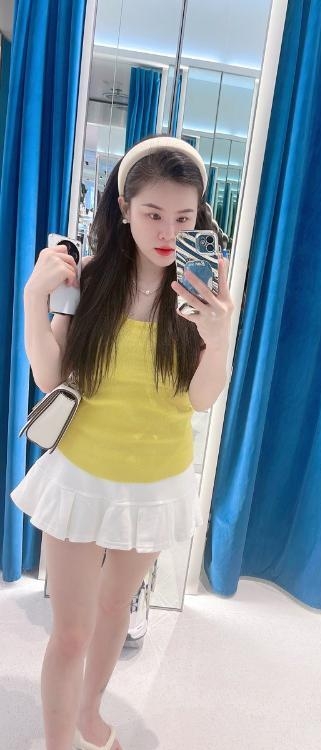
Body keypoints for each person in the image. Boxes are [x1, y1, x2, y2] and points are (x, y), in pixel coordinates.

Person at [11, 135, 234, 750]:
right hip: (81, 473)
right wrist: (33, 298)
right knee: (71, 632)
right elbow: (50, 376)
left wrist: (219, 333)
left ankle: (89, 715)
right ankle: (59, 742)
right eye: (153, 214)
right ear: (124, 208)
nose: (168, 232)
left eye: (183, 218)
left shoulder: (205, 291)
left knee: (116, 610)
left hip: (156, 481)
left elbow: (199, 399)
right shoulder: (87, 280)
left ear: (199, 217)